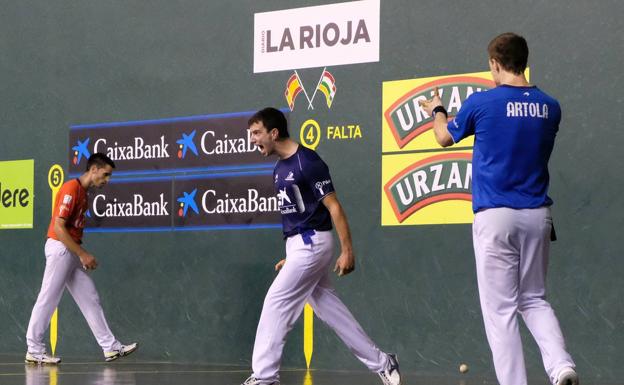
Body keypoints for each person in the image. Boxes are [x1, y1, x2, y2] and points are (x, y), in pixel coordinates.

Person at [419, 33, 578, 385]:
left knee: (501, 311)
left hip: (495, 216)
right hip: (538, 216)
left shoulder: (482, 103)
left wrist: (438, 112)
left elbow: (443, 137)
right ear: (523, 60)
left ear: (494, 64)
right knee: (534, 299)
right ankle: (561, 366)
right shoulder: (551, 107)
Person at [242, 108, 401, 385]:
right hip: (300, 246)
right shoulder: (280, 169)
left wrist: (347, 249)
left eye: (256, 133)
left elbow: (334, 207)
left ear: (274, 133)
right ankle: (383, 363)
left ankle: (265, 377)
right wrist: (291, 257)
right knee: (332, 312)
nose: (252, 139)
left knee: (276, 302)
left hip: (313, 243)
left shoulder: (307, 162)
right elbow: (298, 215)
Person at [25, 153, 137, 364]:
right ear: (93, 169)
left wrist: (78, 253)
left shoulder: (83, 194)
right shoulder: (71, 189)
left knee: (90, 297)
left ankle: (110, 347)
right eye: (105, 175)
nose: (107, 180)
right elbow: (58, 227)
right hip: (61, 249)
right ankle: (34, 348)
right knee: (48, 298)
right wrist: (82, 254)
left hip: (69, 252)